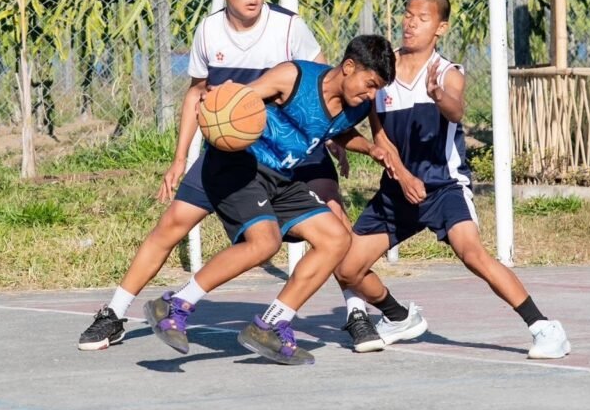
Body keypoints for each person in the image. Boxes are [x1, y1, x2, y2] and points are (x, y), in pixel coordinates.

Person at [77, 0, 352, 352]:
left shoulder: (289, 28)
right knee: (171, 226)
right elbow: (196, 94)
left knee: (332, 227)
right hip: (225, 154)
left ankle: (353, 312)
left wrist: (332, 137)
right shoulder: (208, 31)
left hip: (277, 159)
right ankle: (114, 313)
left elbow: (321, 86)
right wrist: (179, 158)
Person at [334, 0, 571, 359]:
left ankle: (545, 328)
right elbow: (379, 135)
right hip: (398, 189)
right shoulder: (382, 73)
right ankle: (399, 317)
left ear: (440, 28)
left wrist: (437, 95)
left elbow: (456, 110)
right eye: (408, 15)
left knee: (472, 254)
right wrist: (400, 174)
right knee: (347, 268)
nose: (411, 23)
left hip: (444, 187)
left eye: (422, 18)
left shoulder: (448, 73)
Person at [141, 35, 399, 364]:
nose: (372, 95)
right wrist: (217, 98)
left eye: (378, 89)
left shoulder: (357, 105)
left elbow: (340, 130)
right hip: (240, 166)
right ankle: (174, 304)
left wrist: (371, 148)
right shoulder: (294, 77)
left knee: (336, 239)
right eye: (370, 84)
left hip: (282, 176)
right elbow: (241, 99)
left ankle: (271, 325)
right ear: (349, 67)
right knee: (264, 243)